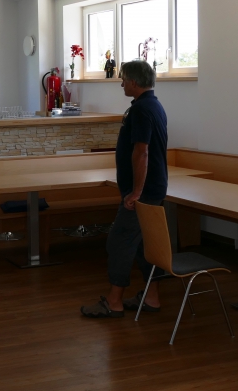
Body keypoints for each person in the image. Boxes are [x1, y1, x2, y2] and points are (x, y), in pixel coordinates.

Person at [81, 60, 168, 318]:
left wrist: (136, 192)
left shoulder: (141, 110)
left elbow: (142, 152)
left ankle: (114, 302)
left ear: (134, 81)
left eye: (123, 80)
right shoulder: (154, 105)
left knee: (119, 242)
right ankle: (151, 297)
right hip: (153, 188)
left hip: (144, 192)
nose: (121, 84)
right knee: (145, 246)